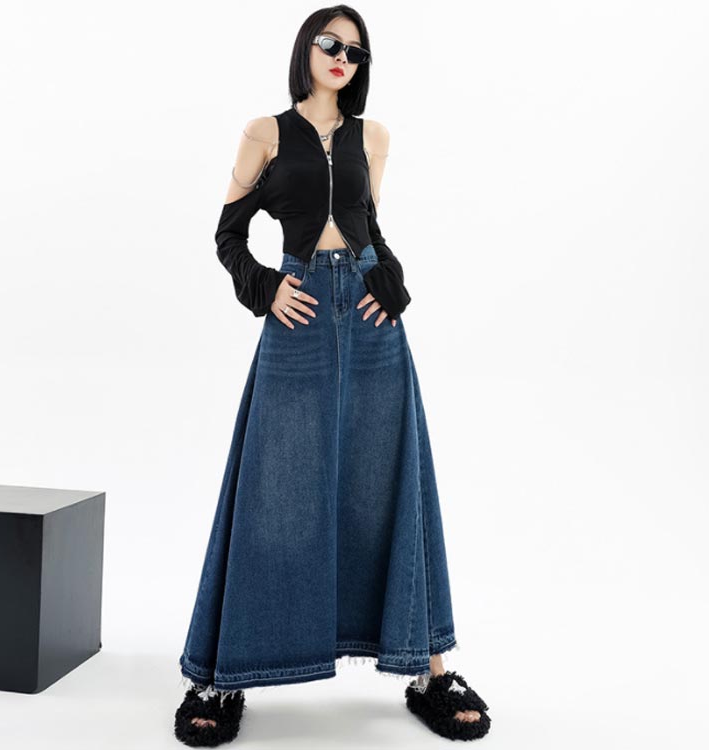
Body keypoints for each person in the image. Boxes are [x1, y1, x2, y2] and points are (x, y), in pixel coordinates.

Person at [174, 5, 491, 745]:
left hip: (373, 319)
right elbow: (227, 235)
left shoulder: (373, 137)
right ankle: (221, 674)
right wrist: (264, 287)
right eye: (330, 43)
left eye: (355, 50)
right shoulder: (265, 132)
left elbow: (369, 226)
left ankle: (430, 669)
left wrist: (393, 283)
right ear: (306, 49)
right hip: (300, 313)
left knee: (391, 482)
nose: (342, 56)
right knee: (272, 484)